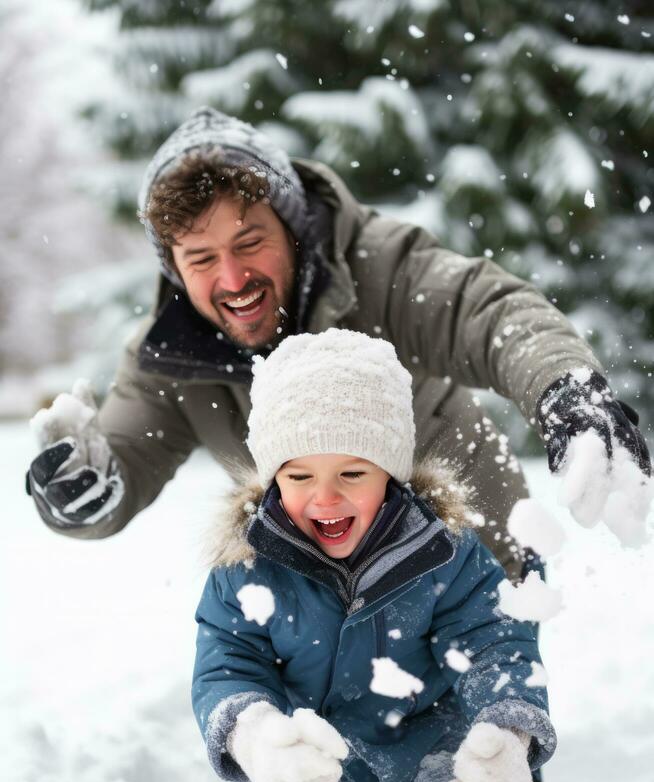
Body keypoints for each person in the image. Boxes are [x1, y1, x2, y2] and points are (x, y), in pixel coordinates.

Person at [26, 106, 650, 583]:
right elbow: (125, 458)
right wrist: (83, 493)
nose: (233, 279)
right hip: (323, 607)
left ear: (294, 230)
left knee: (488, 749)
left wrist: (564, 388)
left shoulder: (378, 267)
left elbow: (490, 313)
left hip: (469, 566)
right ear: (172, 269)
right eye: (201, 259)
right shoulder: (168, 355)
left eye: (249, 245)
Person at [192, 328, 557, 782]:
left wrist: (508, 732)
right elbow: (228, 662)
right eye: (298, 475)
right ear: (272, 479)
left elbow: (494, 641)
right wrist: (256, 736)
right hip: (320, 757)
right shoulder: (245, 568)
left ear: (390, 474)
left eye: (353, 473)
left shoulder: (445, 552)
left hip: (434, 748)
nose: (325, 496)